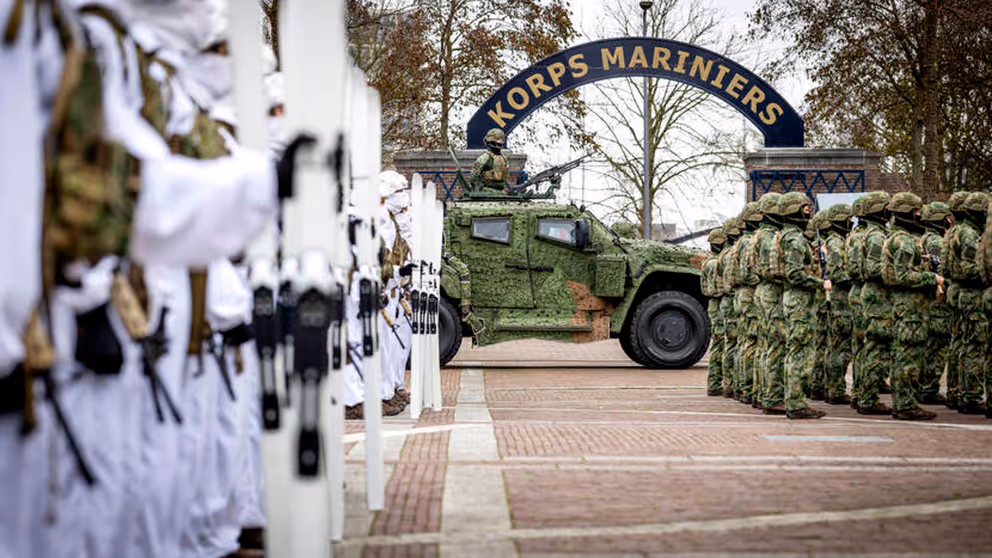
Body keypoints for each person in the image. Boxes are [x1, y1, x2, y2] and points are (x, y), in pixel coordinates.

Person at [881, 192, 942, 420]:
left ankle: (903, 403)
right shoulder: (904, 241)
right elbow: (903, 275)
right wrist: (931, 278)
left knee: (903, 354)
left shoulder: (898, 237)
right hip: (910, 308)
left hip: (906, 306)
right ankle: (905, 405)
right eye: (916, 211)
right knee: (908, 356)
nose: (920, 215)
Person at [777, 192, 829, 419]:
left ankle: (794, 400)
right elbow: (795, 274)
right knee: (800, 352)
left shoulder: (786, 236)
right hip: (800, 301)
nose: (809, 213)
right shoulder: (795, 240)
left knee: (795, 351)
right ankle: (796, 403)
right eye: (805, 209)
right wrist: (821, 283)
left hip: (795, 300)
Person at [857, 192, 894, 415]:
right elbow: (873, 268)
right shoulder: (877, 237)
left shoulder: (874, 234)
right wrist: (895, 271)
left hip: (876, 295)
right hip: (878, 297)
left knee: (874, 347)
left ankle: (865, 396)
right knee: (876, 348)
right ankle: (868, 398)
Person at [753, 193, 785, 413]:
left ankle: (761, 393)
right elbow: (772, 269)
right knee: (774, 345)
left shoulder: (758, 236)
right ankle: (772, 397)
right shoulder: (768, 237)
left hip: (763, 292)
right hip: (772, 292)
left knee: (765, 345)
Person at [919, 202, 952, 405]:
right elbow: (944, 271)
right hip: (938, 300)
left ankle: (924, 386)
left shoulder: (924, 238)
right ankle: (928, 388)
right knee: (937, 346)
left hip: (928, 300)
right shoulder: (937, 242)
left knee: (930, 345)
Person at [821, 204, 854, 405]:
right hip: (840, 301)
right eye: (848, 218)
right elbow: (836, 273)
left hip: (842, 300)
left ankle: (833, 388)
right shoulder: (835, 243)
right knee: (839, 348)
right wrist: (856, 279)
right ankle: (835, 389)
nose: (851, 222)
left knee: (838, 347)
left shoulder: (839, 241)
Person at [732, 203, 762, 405]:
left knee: (744, 343)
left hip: (743, 295)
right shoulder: (749, 242)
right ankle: (749, 388)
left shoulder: (740, 243)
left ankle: (743, 387)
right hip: (750, 294)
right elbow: (746, 273)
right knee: (752, 342)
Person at [701, 229, 727, 396]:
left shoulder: (706, 263)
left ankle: (713, 383)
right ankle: (716, 383)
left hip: (712, 303)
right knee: (721, 344)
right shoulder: (717, 263)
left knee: (717, 344)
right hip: (720, 303)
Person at [470, 128, 509, 193]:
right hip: (486, 192)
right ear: (491, 142)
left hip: (501, 192)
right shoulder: (484, 158)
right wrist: (479, 191)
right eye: (498, 141)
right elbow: (474, 178)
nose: (500, 143)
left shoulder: (504, 159)